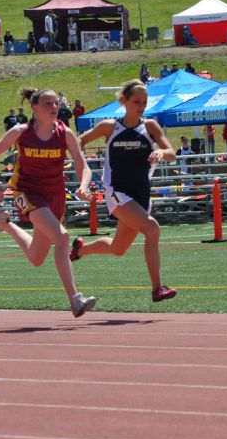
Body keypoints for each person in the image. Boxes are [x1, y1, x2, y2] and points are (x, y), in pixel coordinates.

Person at [0, 87, 96, 317]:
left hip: (54, 195)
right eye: (47, 104)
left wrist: (83, 187)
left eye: (56, 103)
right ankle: (75, 300)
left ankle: (5, 224)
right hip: (27, 192)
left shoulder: (65, 133)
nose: (54, 108)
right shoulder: (20, 132)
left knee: (36, 257)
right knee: (62, 237)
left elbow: (83, 166)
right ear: (35, 108)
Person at [71, 79, 177, 303]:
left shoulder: (150, 127)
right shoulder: (110, 126)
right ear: (124, 101)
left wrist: (161, 153)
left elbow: (171, 152)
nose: (141, 106)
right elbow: (79, 140)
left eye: (145, 102)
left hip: (140, 194)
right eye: (137, 101)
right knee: (152, 229)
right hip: (116, 191)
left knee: (118, 248)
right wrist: (81, 163)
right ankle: (157, 288)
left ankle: (79, 250)